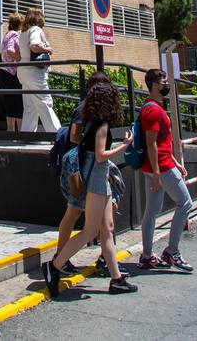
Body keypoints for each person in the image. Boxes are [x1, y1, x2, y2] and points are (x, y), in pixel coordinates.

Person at [46, 80, 136, 296]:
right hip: (97, 178)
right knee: (90, 231)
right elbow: (100, 155)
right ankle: (55, 265)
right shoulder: (102, 125)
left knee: (107, 229)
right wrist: (125, 144)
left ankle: (116, 279)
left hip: (96, 177)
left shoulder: (91, 121)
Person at [54, 72, 124, 278]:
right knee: (75, 214)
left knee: (103, 222)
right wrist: (90, 144)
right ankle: (60, 258)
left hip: (91, 165)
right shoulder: (85, 109)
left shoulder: (97, 113)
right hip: (83, 167)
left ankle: (108, 263)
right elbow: (75, 136)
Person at [137, 69, 193, 273]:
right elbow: (151, 144)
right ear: (154, 85)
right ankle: (172, 251)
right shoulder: (153, 110)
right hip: (160, 167)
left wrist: (176, 162)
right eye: (163, 81)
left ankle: (146, 255)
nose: (167, 84)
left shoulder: (152, 107)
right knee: (185, 203)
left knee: (151, 211)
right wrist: (158, 174)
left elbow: (161, 142)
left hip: (160, 165)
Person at [18, 8, 61, 133]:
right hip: (34, 72)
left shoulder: (24, 33)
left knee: (30, 106)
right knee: (45, 102)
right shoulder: (36, 30)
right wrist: (48, 49)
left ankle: (27, 135)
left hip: (23, 71)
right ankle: (56, 134)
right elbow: (35, 45)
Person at [0, 13, 24, 133]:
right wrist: (19, 57)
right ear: (19, 24)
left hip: (4, 73)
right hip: (11, 74)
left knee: (9, 104)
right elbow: (10, 50)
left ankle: (10, 133)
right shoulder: (14, 34)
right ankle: (20, 135)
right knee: (18, 104)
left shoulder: (7, 34)